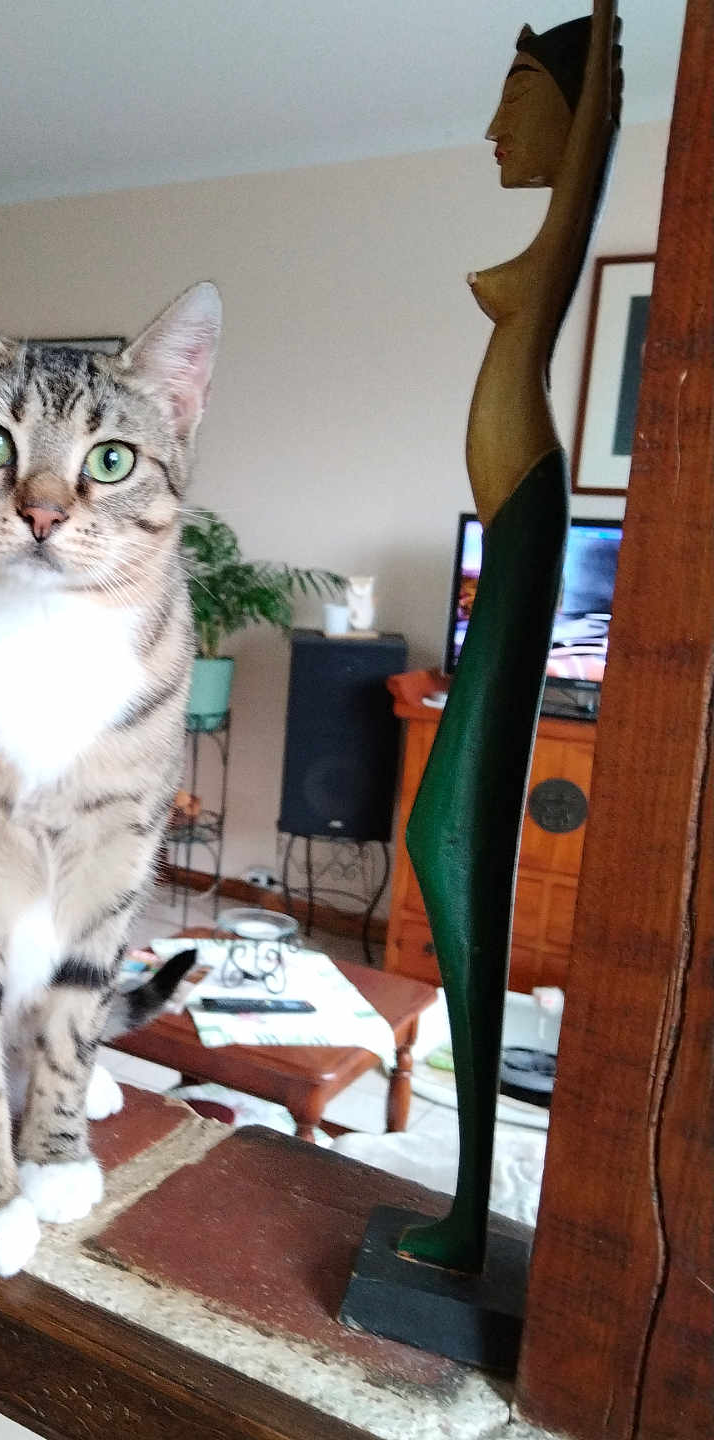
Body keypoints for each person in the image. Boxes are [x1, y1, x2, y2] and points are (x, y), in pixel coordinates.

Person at [400, 1, 621, 1274]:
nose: (495, 129)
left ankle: (473, 1203)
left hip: (525, 520)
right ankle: (471, 1209)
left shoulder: (558, 232)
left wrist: (601, 46)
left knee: (450, 835)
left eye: (518, 101)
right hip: (517, 520)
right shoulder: (542, 253)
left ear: (571, 119)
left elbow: (588, 140)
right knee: (452, 839)